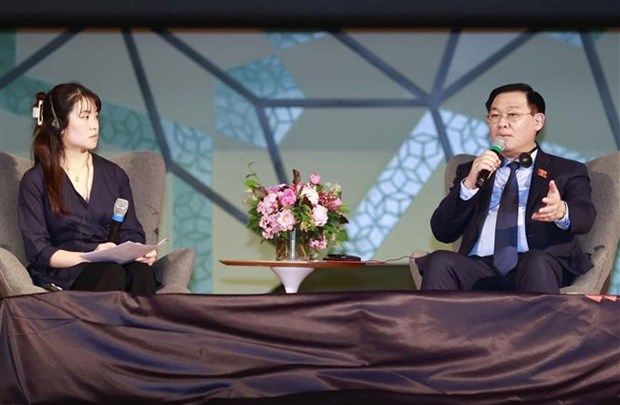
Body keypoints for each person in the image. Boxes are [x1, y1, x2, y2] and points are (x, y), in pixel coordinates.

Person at [418, 83, 596, 294]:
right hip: (479, 268)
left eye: (513, 115)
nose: (502, 124)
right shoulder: (472, 171)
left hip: (537, 264)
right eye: (495, 116)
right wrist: (469, 185)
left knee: (535, 263)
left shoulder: (565, 170)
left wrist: (561, 211)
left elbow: (585, 216)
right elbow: (442, 231)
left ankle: (544, 318)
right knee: (439, 262)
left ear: (537, 121)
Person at [18, 82, 158, 295]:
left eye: (96, 117)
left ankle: (145, 319)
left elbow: (131, 231)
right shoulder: (35, 181)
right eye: (85, 117)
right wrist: (89, 256)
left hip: (112, 265)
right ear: (57, 124)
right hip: (67, 272)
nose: (94, 125)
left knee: (141, 272)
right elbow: (38, 250)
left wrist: (140, 252)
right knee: (111, 273)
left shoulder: (115, 175)